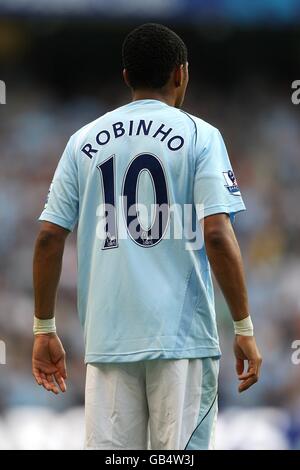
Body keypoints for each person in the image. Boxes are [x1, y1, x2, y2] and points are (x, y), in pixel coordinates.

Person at [32, 23, 262, 450]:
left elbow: (48, 237)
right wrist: (243, 327)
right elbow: (217, 233)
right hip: (182, 341)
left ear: (126, 78)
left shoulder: (83, 141)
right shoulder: (200, 135)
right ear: (181, 73)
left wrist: (44, 327)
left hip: (108, 341)